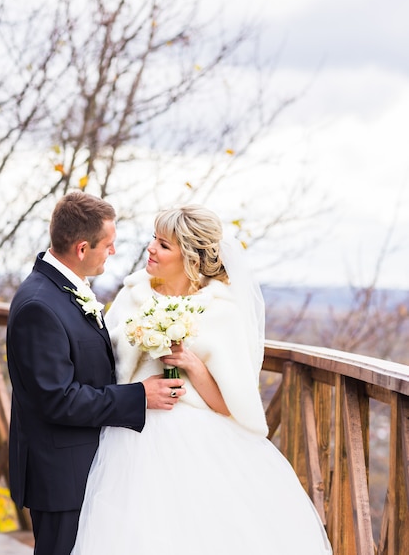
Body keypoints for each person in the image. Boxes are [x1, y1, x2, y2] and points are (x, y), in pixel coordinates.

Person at [72, 204, 333, 554]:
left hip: (196, 446)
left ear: (191, 258)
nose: (150, 248)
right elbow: (106, 367)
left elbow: (230, 404)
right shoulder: (132, 295)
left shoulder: (221, 311)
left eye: (164, 245)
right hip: (130, 438)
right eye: (154, 239)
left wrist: (191, 364)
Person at [6, 192, 185, 555]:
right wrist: (140, 395)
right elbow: (58, 399)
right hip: (59, 477)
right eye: (109, 245)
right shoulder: (39, 306)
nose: (114, 252)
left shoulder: (66, 289)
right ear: (83, 248)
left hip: (83, 466)